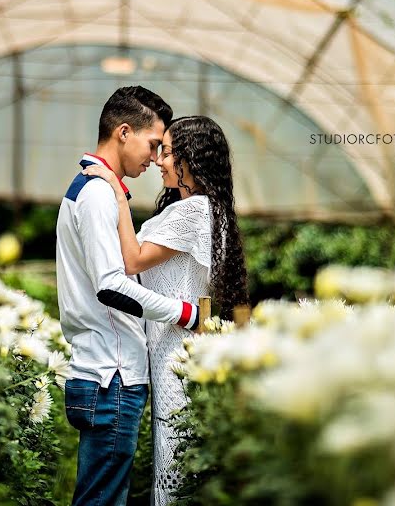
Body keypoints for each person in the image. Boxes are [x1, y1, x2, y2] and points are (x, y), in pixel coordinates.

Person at [83, 115, 249, 505]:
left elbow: (134, 260)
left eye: (169, 152)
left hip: (176, 355)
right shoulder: (206, 209)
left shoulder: (193, 212)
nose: (159, 160)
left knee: (174, 471)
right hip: (178, 350)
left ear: (193, 159)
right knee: (181, 465)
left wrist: (116, 191)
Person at [56, 87, 201, 506]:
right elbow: (111, 286)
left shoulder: (93, 187)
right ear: (123, 132)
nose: (156, 159)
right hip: (111, 376)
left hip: (100, 371)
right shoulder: (98, 192)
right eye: (154, 145)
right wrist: (185, 312)